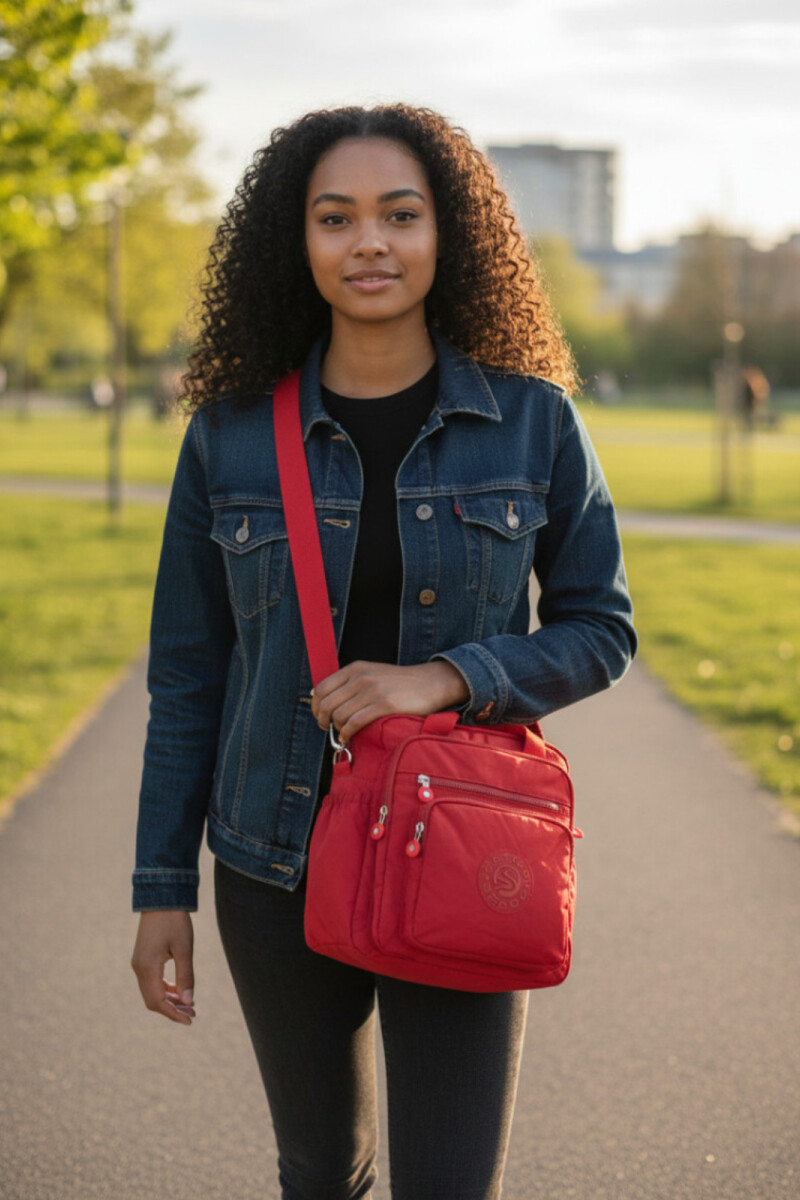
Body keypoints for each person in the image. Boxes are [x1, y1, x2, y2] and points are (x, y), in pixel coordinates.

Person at [131, 103, 637, 1200]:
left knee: (449, 1184)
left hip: (460, 845)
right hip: (272, 861)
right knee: (323, 1172)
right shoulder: (226, 434)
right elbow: (187, 676)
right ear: (298, 240)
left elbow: (603, 629)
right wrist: (160, 887)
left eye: (400, 215)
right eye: (336, 218)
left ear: (447, 233)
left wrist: (450, 678)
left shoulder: (533, 420)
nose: (370, 243)